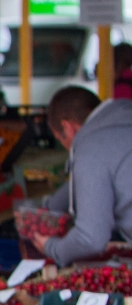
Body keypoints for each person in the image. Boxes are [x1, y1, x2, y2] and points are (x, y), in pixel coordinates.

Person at [30, 87, 132, 266]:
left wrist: (51, 247)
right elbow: (96, 178)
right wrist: (50, 208)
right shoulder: (122, 116)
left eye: (61, 139)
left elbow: (89, 238)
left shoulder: (91, 146)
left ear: (68, 128)